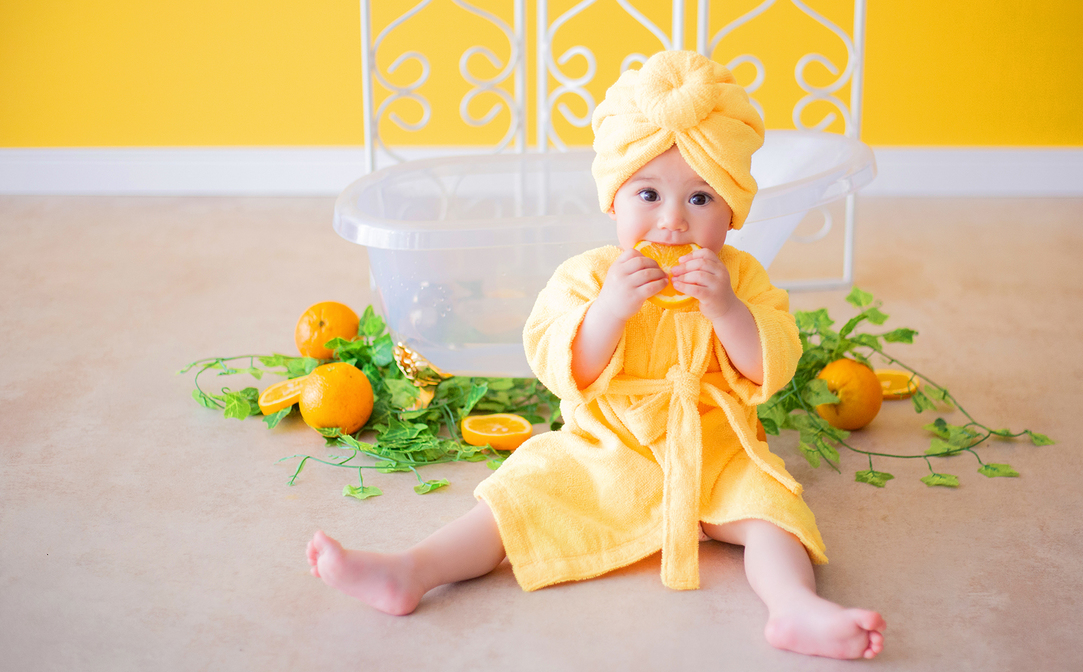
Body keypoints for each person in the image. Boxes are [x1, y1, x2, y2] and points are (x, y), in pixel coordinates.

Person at [306, 50, 885, 660]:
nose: (672, 223)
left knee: (774, 512)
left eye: (700, 200)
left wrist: (728, 312)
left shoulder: (742, 280)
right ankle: (411, 570)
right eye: (649, 193)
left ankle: (793, 608)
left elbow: (772, 367)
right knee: (518, 493)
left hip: (713, 448)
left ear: (734, 212)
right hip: (606, 445)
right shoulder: (589, 276)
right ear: (614, 201)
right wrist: (608, 311)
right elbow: (564, 365)